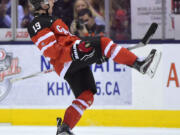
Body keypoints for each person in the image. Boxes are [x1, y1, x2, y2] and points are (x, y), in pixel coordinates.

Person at [27, 0, 161, 135]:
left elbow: (67, 42)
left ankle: (64, 129)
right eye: (50, 0)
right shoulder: (37, 23)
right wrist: (76, 52)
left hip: (69, 61)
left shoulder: (51, 19)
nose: (54, 2)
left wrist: (96, 54)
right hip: (67, 59)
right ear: (42, 3)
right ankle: (139, 64)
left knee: (87, 95)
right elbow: (51, 51)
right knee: (104, 43)